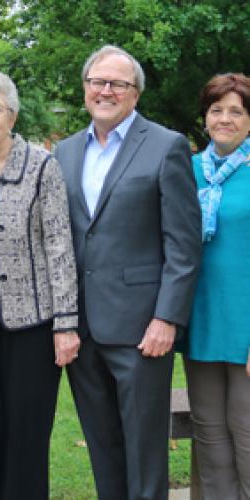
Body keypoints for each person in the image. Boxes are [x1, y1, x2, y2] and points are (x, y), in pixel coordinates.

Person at [55, 45, 202, 500]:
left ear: (135, 93)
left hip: (143, 331)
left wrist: (167, 319)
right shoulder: (63, 152)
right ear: (85, 90)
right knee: (103, 451)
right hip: (82, 330)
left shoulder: (166, 146)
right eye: (98, 81)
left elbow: (183, 244)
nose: (106, 90)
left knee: (144, 453)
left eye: (118, 83)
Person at [0, 70, 80, 499]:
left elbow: (60, 245)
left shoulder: (42, 167)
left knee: (27, 433)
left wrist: (66, 323)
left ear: (13, 115)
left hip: (33, 326)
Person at [179, 73, 250, 500]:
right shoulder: (187, 171)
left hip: (245, 327)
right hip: (202, 323)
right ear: (205, 117)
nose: (225, 119)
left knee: (247, 436)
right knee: (211, 441)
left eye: (236, 111)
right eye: (216, 110)